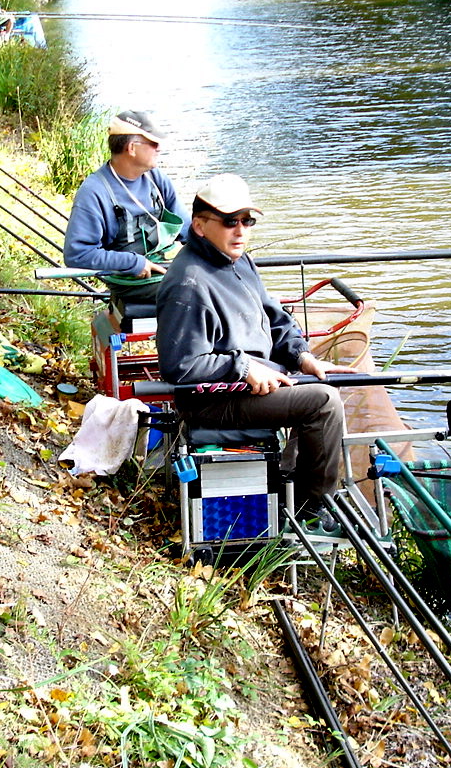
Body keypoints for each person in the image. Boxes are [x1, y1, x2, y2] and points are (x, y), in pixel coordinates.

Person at [155, 174, 358, 526]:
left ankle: (289, 480)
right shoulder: (188, 283)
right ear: (200, 226)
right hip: (213, 400)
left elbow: (274, 317)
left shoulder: (240, 261)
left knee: (328, 387)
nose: (241, 231)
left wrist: (300, 355)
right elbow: (181, 366)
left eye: (247, 221)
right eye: (230, 221)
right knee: (323, 404)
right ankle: (313, 508)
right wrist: (244, 369)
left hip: (254, 380)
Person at [63, 111, 189, 309]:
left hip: (166, 266)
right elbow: (77, 254)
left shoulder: (156, 179)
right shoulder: (94, 192)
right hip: (129, 279)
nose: (159, 149)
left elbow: (188, 231)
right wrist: (133, 263)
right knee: (196, 288)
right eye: (154, 144)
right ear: (132, 148)